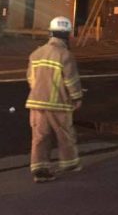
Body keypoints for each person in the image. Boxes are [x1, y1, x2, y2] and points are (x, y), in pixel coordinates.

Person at [25, 16, 84, 183]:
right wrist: (77, 97)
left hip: (36, 103)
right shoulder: (65, 55)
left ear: (50, 33)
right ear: (67, 35)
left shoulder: (36, 53)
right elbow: (71, 80)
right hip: (59, 104)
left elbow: (30, 78)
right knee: (65, 135)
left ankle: (40, 169)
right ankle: (70, 164)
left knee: (40, 137)